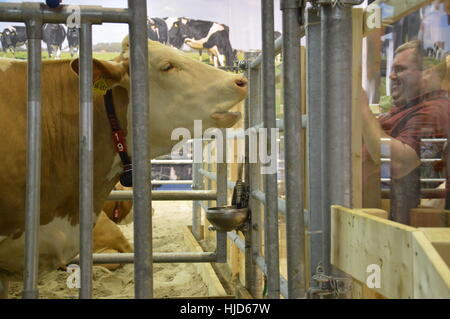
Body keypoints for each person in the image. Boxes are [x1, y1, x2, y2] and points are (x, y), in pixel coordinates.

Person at [362, 40, 450, 223]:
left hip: (396, 223)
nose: (392, 76)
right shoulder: (407, 109)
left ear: (427, 73)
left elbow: (399, 162)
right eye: (392, 70)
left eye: (400, 69)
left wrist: (361, 108)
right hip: (377, 218)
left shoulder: (434, 110)